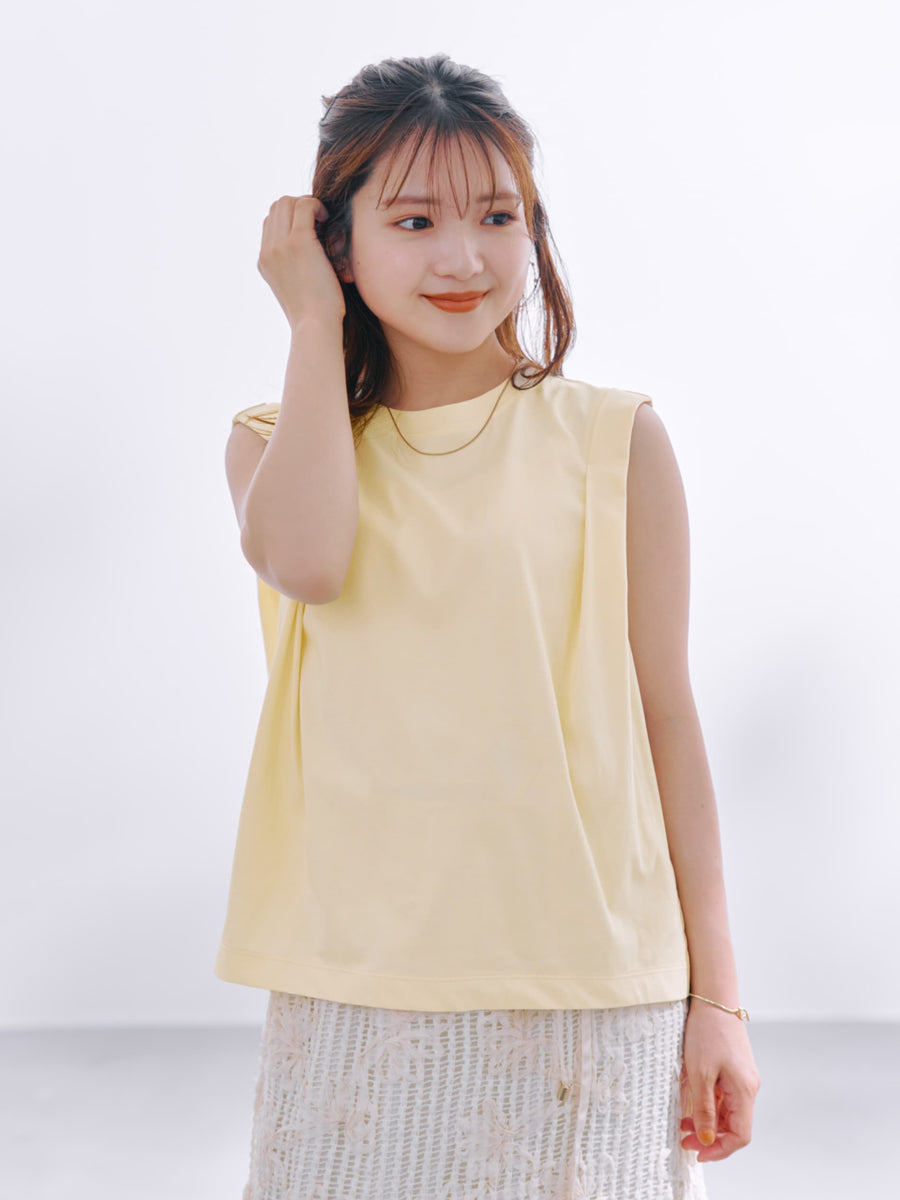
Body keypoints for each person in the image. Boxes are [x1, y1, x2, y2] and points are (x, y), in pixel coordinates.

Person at [217, 52, 760, 1200]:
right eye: (414, 220)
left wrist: (720, 1001)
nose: (464, 259)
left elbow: (668, 720)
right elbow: (309, 561)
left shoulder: (616, 441)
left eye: (498, 217)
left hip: (586, 992)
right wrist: (312, 321)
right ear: (338, 242)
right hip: (356, 979)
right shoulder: (277, 443)